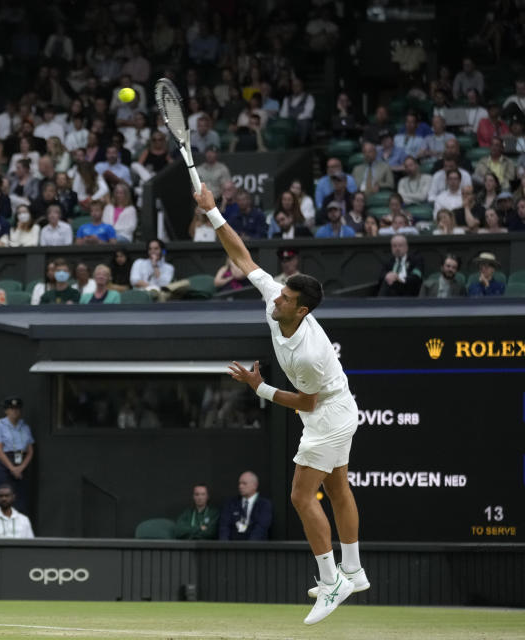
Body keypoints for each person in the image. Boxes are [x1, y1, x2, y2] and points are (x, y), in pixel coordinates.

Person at [194, 184, 367, 625]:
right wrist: (214, 212)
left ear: (303, 310)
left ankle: (330, 583)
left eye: (287, 299)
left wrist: (259, 388)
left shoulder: (310, 353)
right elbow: (242, 256)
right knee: (338, 488)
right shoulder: (275, 295)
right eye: (281, 293)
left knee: (300, 495)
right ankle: (354, 571)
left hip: (327, 411)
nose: (277, 299)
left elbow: (306, 401)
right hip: (340, 405)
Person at [0, 396, 34, 515]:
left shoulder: (25, 427)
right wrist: (12, 468)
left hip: (21, 462)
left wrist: (21, 467)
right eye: (11, 409)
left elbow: (30, 450)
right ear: (6, 411)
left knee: (21, 499)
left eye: (17, 409)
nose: (15, 411)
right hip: (6, 463)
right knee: (4, 496)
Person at [218, 472, 273, 541]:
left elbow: (261, 528)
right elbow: (224, 527)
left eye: (244, 483)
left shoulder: (264, 505)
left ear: (255, 485)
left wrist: (248, 547)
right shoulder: (230, 504)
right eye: (239, 483)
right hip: (232, 548)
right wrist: (225, 546)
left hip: (256, 548)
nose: (240, 486)